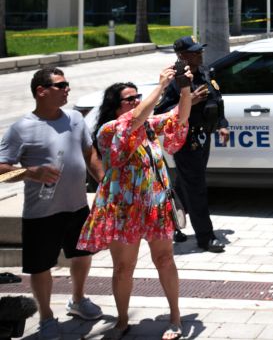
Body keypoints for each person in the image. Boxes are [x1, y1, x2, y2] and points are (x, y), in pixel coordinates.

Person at [77, 70, 192, 339]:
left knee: (164, 259)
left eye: (138, 96)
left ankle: (175, 318)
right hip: (122, 209)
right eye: (130, 99)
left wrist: (185, 89)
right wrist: (162, 85)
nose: (137, 101)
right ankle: (122, 320)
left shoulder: (149, 125)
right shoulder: (109, 130)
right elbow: (132, 121)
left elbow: (180, 118)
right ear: (115, 107)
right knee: (123, 267)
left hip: (154, 205)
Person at [0, 67, 104, 340]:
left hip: (77, 206)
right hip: (41, 213)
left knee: (82, 255)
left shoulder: (75, 120)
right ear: (41, 91)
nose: (68, 88)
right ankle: (46, 317)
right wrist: (30, 172)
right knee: (40, 266)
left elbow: (88, 151)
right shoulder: (20, 128)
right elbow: (2, 170)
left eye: (67, 83)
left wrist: (103, 181)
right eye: (61, 85)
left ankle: (78, 300)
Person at [153, 36, 228, 252]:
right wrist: (189, 100)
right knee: (196, 188)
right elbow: (160, 113)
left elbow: (217, 100)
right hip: (185, 141)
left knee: (185, 184)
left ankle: (172, 224)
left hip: (203, 137)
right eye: (194, 52)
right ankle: (205, 237)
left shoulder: (204, 72)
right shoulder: (175, 79)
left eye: (199, 51)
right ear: (182, 56)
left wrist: (222, 124)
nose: (199, 55)